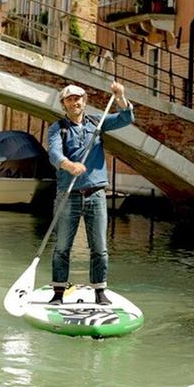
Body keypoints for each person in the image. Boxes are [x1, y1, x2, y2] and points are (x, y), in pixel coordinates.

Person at [46, 82, 133, 306]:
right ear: (64, 104)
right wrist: (69, 165)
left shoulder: (97, 122)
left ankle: (99, 291)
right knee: (62, 247)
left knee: (99, 248)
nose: (74, 103)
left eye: (78, 99)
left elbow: (126, 118)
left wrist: (120, 97)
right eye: (69, 100)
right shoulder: (57, 128)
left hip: (96, 194)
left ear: (84, 101)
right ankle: (58, 292)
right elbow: (54, 153)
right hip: (69, 195)